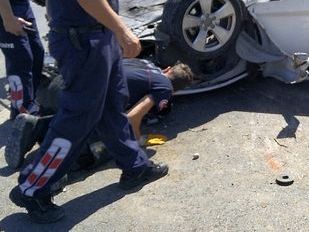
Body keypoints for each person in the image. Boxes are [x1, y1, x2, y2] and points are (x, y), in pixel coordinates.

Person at [9, 0, 168, 224]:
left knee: (111, 106)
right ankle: (33, 187)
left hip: (95, 38)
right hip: (86, 40)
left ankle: (135, 166)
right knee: (78, 116)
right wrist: (123, 30)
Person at [6, 59, 194, 169]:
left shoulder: (145, 63)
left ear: (168, 69)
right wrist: (137, 142)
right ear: (175, 91)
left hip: (61, 83)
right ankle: (55, 162)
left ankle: (37, 125)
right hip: (79, 98)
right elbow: (131, 118)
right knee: (103, 145)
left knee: (84, 119)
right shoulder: (165, 88)